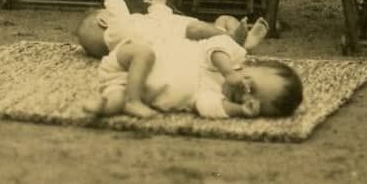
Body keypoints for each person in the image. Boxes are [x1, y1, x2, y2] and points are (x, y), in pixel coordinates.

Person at [89, 28, 302, 120]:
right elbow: (216, 46)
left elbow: (206, 107)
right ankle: (133, 101)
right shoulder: (231, 56)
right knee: (145, 53)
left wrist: (239, 110)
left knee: (115, 100)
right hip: (130, 58)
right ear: (252, 65)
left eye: (253, 103)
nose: (245, 94)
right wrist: (228, 71)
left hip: (125, 84)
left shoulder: (213, 95)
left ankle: (103, 105)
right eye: (251, 87)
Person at [74, 0, 262, 61]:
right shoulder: (118, 36)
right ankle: (235, 41)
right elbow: (120, 18)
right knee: (202, 29)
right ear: (104, 21)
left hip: (185, 33)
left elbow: (158, 18)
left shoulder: (130, 30)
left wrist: (158, 5)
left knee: (223, 20)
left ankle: (240, 43)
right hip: (182, 33)